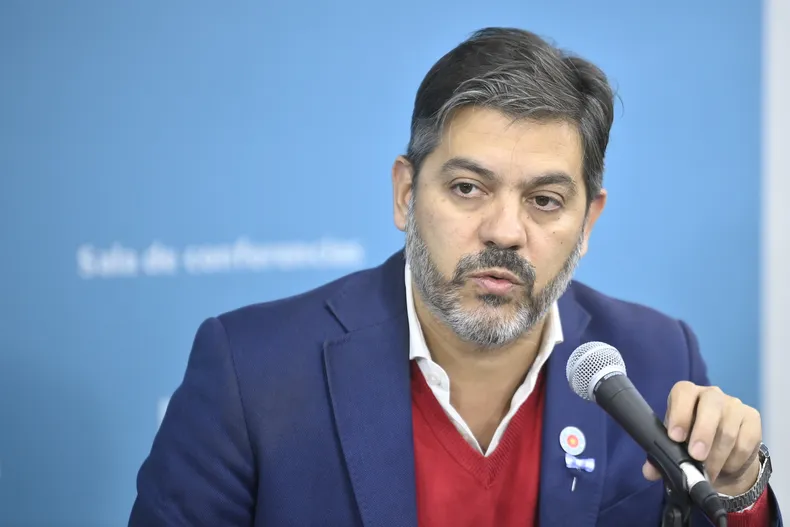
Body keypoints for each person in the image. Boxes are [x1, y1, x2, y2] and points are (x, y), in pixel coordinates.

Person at [128, 27, 782, 526]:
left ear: (588, 221)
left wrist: (739, 489)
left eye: (544, 200)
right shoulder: (252, 371)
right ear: (406, 195)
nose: (504, 231)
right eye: (468, 188)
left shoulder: (657, 358)